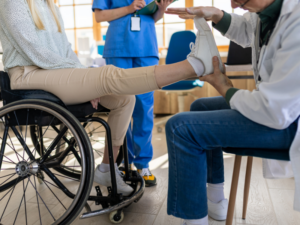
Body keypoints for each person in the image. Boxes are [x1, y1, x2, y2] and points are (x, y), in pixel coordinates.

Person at [0, 0, 221, 196]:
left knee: (126, 99)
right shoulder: (13, 2)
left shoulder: (51, 7)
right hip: (28, 74)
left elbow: (66, 51)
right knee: (107, 75)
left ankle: (106, 168)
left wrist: (83, 76)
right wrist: (84, 77)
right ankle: (193, 66)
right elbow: (33, 50)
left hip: (52, 72)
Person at [165, 0, 300, 224]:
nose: (235, 4)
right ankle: (216, 202)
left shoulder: (296, 23)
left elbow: (275, 111)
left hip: (289, 124)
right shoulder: (267, 10)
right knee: (199, 108)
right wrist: (216, 14)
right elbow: (248, 30)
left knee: (180, 128)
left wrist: (225, 87)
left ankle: (195, 221)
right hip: (277, 109)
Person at [92, 0, 173, 187]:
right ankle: (122, 161)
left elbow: (151, 18)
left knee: (144, 108)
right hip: (119, 47)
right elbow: (100, 16)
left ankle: (143, 163)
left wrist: (160, 11)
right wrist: (130, 8)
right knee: (122, 105)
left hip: (146, 47)